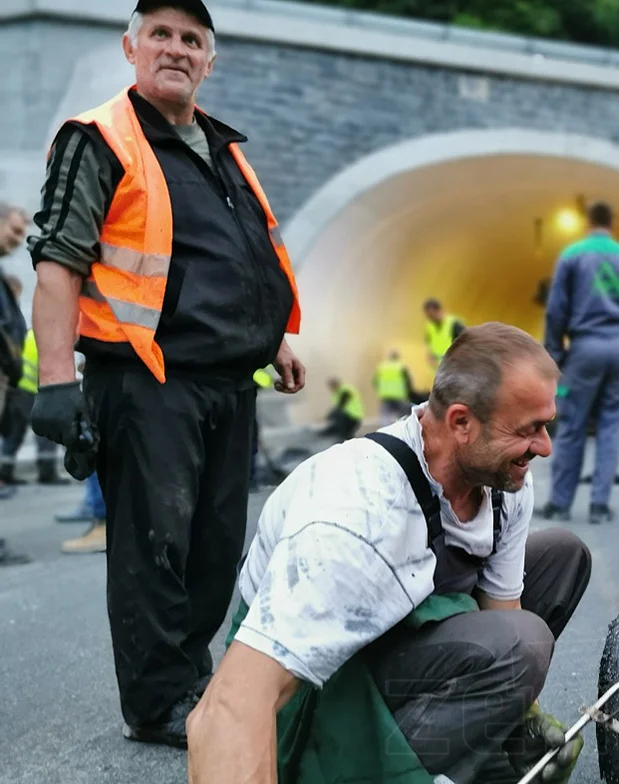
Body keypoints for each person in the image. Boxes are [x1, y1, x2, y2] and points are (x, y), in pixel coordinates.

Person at [25, 0, 305, 748]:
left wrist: (271, 338)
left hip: (223, 381)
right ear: (131, 47)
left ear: (209, 58)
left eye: (192, 39)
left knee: (215, 545)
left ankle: (192, 680)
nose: (176, 48)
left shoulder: (219, 147)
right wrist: (55, 384)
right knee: (156, 546)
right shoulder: (102, 140)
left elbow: (237, 260)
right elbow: (57, 264)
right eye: (161, 34)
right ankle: (158, 704)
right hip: (147, 378)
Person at [186, 322, 591, 784]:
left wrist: (523, 716)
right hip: (316, 693)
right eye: (529, 429)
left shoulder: (505, 481)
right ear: (460, 422)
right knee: (523, 640)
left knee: (562, 557)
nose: (544, 446)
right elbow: (230, 707)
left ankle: (459, 742)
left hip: (394, 634)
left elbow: (500, 608)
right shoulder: (356, 513)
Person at [540, 200, 619, 525]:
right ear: (612, 223)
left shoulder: (572, 256)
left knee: (572, 426)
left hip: (584, 349)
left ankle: (560, 504)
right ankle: (599, 506)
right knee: (610, 428)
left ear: (588, 223)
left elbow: (556, 309)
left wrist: (554, 354)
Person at [0, 321, 70, 489]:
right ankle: (47, 473)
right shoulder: (49, 339)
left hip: (18, 389)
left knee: (14, 434)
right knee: (46, 433)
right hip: (33, 390)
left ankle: (5, 473)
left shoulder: (29, 335)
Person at [424, 297, 466, 369]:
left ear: (439, 311)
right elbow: (429, 343)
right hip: (439, 368)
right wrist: (430, 357)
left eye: (431, 315)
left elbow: (466, 343)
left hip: (454, 367)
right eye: (428, 316)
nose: (430, 318)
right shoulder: (430, 326)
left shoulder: (454, 324)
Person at [374, 347, 414, 420]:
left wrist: (380, 391)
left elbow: (375, 382)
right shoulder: (401, 367)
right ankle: (399, 429)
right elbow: (408, 382)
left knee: (385, 417)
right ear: (397, 357)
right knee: (402, 416)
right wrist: (410, 393)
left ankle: (384, 430)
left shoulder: (382, 367)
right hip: (399, 396)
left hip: (385, 396)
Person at [321, 376, 364, 442]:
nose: (331, 389)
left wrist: (329, 416)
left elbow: (341, 405)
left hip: (352, 417)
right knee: (344, 435)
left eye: (332, 387)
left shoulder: (345, 390)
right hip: (348, 417)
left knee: (344, 435)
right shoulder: (337, 393)